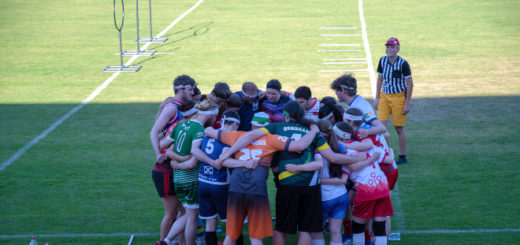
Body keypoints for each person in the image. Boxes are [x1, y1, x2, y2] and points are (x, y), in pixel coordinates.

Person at [218, 101, 374, 245]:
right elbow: (332, 157)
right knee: (305, 227)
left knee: (281, 227)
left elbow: (251, 135)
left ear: (286, 115)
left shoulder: (276, 127)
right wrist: (355, 158)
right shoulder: (312, 131)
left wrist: (228, 153)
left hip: (286, 184)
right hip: (310, 186)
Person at [204, 112, 322, 245]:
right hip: (257, 190)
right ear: (268, 126)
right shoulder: (272, 139)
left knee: (231, 235)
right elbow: (300, 145)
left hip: (236, 189)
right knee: (256, 237)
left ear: (252, 124)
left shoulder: (236, 136)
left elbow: (209, 131)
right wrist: (313, 130)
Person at [157, 100, 219, 245]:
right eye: (214, 116)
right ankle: (170, 240)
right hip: (191, 180)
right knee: (191, 217)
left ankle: (166, 240)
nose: (215, 119)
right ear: (210, 115)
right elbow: (194, 152)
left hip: (178, 180)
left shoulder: (180, 125)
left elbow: (163, 145)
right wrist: (210, 162)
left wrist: (177, 162)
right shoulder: (199, 130)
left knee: (186, 214)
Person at [150, 74, 195, 240]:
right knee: (172, 213)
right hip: (167, 166)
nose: (193, 92)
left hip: (174, 164)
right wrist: (158, 154)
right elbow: (154, 131)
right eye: (190, 89)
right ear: (181, 89)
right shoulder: (172, 107)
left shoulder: (179, 105)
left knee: (184, 212)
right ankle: (163, 242)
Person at [332, 122, 392, 245]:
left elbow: (353, 167)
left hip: (366, 190)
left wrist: (369, 159)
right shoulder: (364, 145)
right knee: (379, 224)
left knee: (358, 225)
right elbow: (375, 151)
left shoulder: (341, 150)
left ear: (338, 136)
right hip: (382, 186)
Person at [197, 110, 240, 245]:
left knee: (210, 222)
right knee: (232, 221)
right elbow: (223, 161)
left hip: (203, 182)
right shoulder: (229, 138)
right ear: (234, 124)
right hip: (220, 185)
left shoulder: (209, 134)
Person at [373, 37, 414, 165]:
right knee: (380, 127)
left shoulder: (403, 64)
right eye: (388, 47)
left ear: (398, 49)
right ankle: (385, 154)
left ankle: (402, 156)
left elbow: (410, 84)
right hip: (385, 96)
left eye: (392, 47)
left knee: (398, 128)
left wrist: (406, 103)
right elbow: (380, 79)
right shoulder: (383, 61)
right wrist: (377, 98)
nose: (389, 49)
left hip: (398, 97)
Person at [330, 74, 387, 140]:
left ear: (343, 90)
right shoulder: (355, 103)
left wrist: (366, 132)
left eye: (336, 90)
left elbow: (381, 128)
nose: (335, 93)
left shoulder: (361, 106)